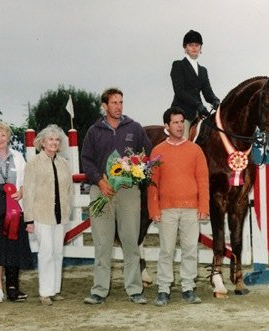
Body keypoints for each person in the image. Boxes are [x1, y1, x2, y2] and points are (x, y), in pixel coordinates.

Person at [81, 88, 152, 305]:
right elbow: (86, 160)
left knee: (130, 241)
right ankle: (99, 290)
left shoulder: (135, 128)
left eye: (121, 102)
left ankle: (134, 289)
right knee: (102, 242)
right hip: (101, 190)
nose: (118, 106)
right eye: (114, 103)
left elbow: (147, 155)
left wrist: (137, 171)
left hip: (128, 191)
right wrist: (99, 181)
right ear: (104, 105)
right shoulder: (94, 131)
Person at [147, 106, 209, 307]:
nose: (180, 126)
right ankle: (163, 289)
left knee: (190, 249)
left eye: (182, 122)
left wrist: (203, 206)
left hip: (191, 209)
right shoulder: (157, 151)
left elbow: (202, 180)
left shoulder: (195, 150)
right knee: (166, 250)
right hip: (167, 210)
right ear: (167, 126)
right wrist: (153, 209)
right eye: (175, 122)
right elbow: (152, 183)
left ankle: (188, 287)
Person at [0, 122, 33, 303]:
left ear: (8, 137)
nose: (0, 139)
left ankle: (12, 288)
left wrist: (21, 192)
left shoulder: (18, 156)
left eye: (3, 135)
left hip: (15, 209)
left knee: (13, 248)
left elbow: (26, 180)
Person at [23, 124, 73, 306]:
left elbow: (68, 191)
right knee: (46, 253)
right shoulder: (33, 163)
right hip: (41, 215)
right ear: (42, 142)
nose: (54, 142)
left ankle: (55, 289)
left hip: (61, 216)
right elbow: (28, 192)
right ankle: (44, 292)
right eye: (50, 139)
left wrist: (68, 212)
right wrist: (28, 218)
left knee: (58, 252)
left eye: (57, 140)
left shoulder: (64, 163)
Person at [170, 29, 220, 122]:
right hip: (181, 114)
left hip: (199, 114)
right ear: (185, 47)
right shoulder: (178, 65)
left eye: (197, 45)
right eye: (191, 45)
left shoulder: (203, 70)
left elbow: (207, 92)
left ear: (200, 48)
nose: (194, 48)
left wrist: (215, 101)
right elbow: (179, 91)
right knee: (183, 136)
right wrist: (198, 104)